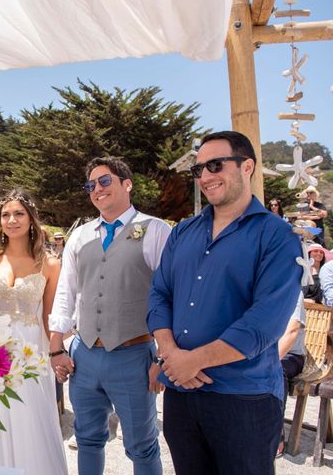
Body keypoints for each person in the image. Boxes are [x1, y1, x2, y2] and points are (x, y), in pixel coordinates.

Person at [147, 131, 302, 475]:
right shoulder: (182, 232)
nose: (204, 176)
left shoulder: (279, 237)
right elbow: (159, 295)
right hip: (181, 395)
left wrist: (193, 362)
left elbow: (264, 323)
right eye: (198, 169)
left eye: (215, 165)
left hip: (244, 397)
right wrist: (172, 355)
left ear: (247, 166)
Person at [49, 156, 170, 475]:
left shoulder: (155, 230)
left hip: (133, 355)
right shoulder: (79, 235)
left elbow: (171, 296)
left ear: (126, 184)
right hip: (84, 356)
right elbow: (66, 292)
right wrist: (56, 346)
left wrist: (163, 359)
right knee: (87, 440)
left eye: (105, 181)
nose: (97, 189)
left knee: (142, 446)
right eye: (91, 185)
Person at [0, 188, 67, 475]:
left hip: (30, 353)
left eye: (19, 213)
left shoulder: (49, 264)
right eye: (5, 215)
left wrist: (58, 354)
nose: (12, 220)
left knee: (31, 420)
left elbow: (51, 316)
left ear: (32, 219)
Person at [277, 292, 306, 457]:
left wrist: (268, 363)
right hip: (263, 350)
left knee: (277, 371)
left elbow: (292, 331)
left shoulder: (293, 292)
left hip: (291, 354)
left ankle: (276, 434)